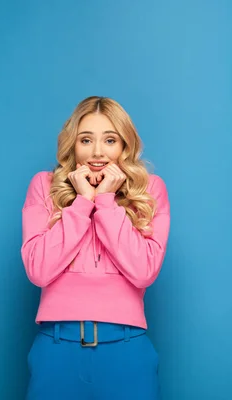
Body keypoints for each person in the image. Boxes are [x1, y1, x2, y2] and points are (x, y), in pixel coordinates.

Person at [21, 96, 170, 399]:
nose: (98, 151)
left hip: (127, 353)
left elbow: (143, 272)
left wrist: (105, 201)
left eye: (110, 140)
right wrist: (82, 201)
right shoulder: (45, 186)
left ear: (124, 146)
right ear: (72, 145)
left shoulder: (149, 189)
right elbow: (38, 270)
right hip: (56, 350)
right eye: (86, 139)